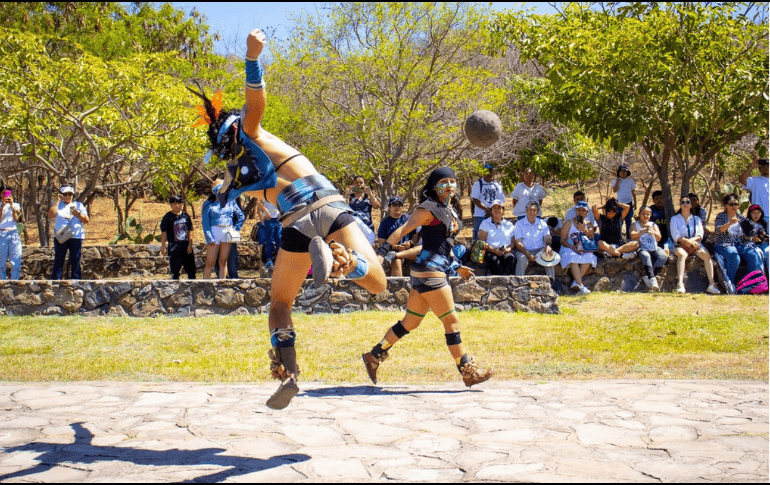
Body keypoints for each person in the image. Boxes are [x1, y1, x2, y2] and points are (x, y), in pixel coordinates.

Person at [188, 28, 387, 410]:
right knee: (377, 283)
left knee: (280, 303)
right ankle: (345, 261)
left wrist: (224, 188)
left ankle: (291, 372)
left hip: (293, 222)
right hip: (324, 202)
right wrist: (251, 57)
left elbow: (225, 188)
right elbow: (256, 99)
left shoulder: (234, 174)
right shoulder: (251, 132)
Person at [363, 167, 493, 388]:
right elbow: (403, 229)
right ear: (434, 186)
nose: (450, 185)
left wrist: (457, 266)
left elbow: (441, 247)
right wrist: (382, 253)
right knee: (451, 322)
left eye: (453, 181)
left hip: (426, 271)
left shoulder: (448, 209)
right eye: (444, 181)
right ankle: (467, 372)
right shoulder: (428, 209)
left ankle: (374, 355)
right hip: (431, 274)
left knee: (410, 322)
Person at [669, 197, 720, 295]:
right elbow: (676, 236)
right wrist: (688, 242)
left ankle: (711, 284)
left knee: (706, 255)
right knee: (682, 255)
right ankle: (680, 284)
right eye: (682, 202)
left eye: (687, 202)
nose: (685, 204)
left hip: (695, 244)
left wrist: (691, 241)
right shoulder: (674, 219)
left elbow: (700, 235)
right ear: (680, 205)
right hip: (680, 244)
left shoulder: (696, 219)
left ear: (691, 205)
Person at [713, 193, 764, 288]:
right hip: (724, 244)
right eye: (731, 204)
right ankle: (730, 284)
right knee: (734, 256)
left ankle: (756, 283)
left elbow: (745, 236)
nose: (734, 206)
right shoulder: (721, 216)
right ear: (726, 205)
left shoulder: (741, 217)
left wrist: (751, 237)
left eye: (736, 204)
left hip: (739, 244)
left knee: (753, 255)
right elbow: (718, 231)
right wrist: (729, 223)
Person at [202, 181, 245, 279]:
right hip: (214, 231)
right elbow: (205, 222)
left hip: (227, 231)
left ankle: (222, 285)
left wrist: (235, 229)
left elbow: (241, 216)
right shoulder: (208, 203)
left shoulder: (231, 201)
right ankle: (204, 285)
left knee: (223, 261)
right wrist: (209, 237)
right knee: (210, 262)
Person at [48, 185, 89, 280]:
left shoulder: (78, 205)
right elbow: (50, 215)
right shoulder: (58, 205)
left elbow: (86, 220)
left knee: (75, 259)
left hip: (76, 236)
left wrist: (78, 214)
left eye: (70, 194)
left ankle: (76, 280)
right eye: (65, 194)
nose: (68, 196)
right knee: (59, 259)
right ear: (61, 195)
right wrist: (58, 201)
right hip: (61, 236)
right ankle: (56, 280)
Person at [559, 201, 597, 294]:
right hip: (569, 247)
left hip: (583, 248)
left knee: (590, 257)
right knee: (572, 257)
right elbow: (562, 239)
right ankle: (581, 286)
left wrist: (584, 229)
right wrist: (572, 247)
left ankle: (576, 282)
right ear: (576, 211)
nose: (581, 212)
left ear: (586, 212)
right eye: (579, 210)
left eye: (583, 211)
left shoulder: (588, 224)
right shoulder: (568, 223)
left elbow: (592, 237)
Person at [514, 201, 555, 280]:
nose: (532, 212)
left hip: (540, 250)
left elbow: (547, 237)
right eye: (530, 210)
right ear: (526, 211)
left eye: (534, 210)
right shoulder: (519, 224)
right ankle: (518, 282)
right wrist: (528, 254)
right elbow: (518, 242)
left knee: (549, 254)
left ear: (537, 212)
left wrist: (548, 246)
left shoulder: (542, 223)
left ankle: (551, 282)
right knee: (522, 259)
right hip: (524, 250)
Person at [629, 206, 666, 291]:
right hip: (641, 247)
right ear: (639, 214)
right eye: (643, 214)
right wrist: (643, 231)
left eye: (648, 214)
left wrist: (652, 232)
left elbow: (659, 238)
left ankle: (650, 277)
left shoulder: (653, 225)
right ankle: (653, 280)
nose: (645, 216)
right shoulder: (635, 225)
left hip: (654, 247)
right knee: (646, 256)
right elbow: (632, 235)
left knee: (663, 256)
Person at [159, 194, 196, 280]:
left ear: (182, 204)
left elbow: (190, 230)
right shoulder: (167, 217)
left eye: (179, 203)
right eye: (174, 204)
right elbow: (163, 233)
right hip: (174, 248)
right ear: (171, 205)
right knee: (175, 271)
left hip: (186, 246)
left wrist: (190, 244)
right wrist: (163, 247)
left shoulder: (186, 216)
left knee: (191, 270)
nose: (176, 206)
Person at [376, 196, 413, 276]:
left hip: (408, 250)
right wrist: (396, 247)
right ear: (390, 208)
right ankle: (397, 286)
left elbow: (417, 236)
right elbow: (382, 243)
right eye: (394, 205)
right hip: (392, 252)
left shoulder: (408, 219)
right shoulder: (385, 223)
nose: (397, 207)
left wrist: (410, 243)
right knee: (397, 260)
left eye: (399, 205)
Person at [478, 199, 516, 275]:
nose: (496, 210)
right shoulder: (485, 223)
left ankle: (506, 280)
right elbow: (482, 242)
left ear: (503, 211)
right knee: (494, 260)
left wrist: (507, 250)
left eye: (499, 208)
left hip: (505, 251)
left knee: (510, 258)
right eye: (494, 208)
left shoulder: (509, 224)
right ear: (491, 210)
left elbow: (512, 242)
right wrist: (494, 250)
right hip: (490, 251)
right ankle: (498, 281)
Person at [470, 164, 505, 240]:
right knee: (479, 237)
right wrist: (487, 209)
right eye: (486, 171)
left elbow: (501, 201)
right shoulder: (478, 184)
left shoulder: (497, 185)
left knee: (493, 236)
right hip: (480, 215)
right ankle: (476, 251)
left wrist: (492, 211)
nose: (488, 173)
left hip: (494, 216)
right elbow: (475, 199)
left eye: (490, 171)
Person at [0, 188, 22, 280]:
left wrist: (12, 205)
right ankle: (2, 280)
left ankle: (15, 281)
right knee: (1, 261)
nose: (6, 195)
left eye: (8, 193)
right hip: (2, 233)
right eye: (4, 193)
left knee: (16, 260)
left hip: (13, 233)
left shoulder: (16, 205)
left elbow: (17, 218)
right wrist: (2, 207)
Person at [741, 204, 769, 272]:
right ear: (750, 213)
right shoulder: (745, 223)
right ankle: (758, 278)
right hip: (750, 244)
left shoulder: (763, 222)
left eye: (758, 213)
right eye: (753, 213)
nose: (756, 215)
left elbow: (765, 235)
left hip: (762, 244)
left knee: (768, 252)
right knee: (757, 254)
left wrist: (765, 237)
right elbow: (743, 237)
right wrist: (752, 238)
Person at [612, 164, 637, 238]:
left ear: (627, 172)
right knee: (619, 220)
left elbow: (633, 192)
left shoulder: (630, 180)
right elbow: (614, 190)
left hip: (629, 203)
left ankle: (629, 237)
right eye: (621, 171)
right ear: (619, 172)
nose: (623, 173)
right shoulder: (616, 180)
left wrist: (635, 202)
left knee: (629, 220)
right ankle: (618, 237)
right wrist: (617, 181)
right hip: (620, 204)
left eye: (625, 171)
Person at [256, 199, 281, 270]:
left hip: (278, 220)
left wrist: (282, 213)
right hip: (268, 219)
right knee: (269, 240)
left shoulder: (279, 193)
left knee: (279, 239)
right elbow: (258, 202)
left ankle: (278, 258)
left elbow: (285, 203)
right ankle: (269, 259)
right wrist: (265, 211)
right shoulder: (265, 192)